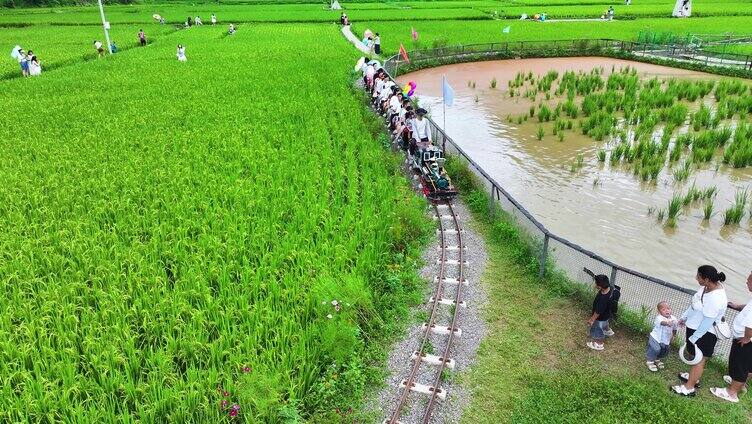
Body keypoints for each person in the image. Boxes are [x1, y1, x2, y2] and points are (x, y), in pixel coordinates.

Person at [674, 265, 728, 397]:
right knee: (694, 355)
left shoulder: (716, 297)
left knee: (699, 359)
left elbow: (707, 322)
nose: (696, 278)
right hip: (694, 327)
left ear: (707, 279)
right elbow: (695, 303)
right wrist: (684, 317)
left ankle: (689, 387)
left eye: (698, 276)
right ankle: (693, 377)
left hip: (705, 333)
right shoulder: (706, 287)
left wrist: (694, 338)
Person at [711, 271, 752, 403]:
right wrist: (737, 306)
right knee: (747, 365)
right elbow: (748, 307)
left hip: (744, 340)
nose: (746, 282)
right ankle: (741, 384)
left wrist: (746, 338)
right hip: (747, 339)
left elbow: (750, 324)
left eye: (749, 280)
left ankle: (732, 392)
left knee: (739, 364)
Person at [646, 301, 678, 371]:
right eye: (663, 309)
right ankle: (650, 361)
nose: (667, 311)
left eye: (668, 308)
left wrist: (674, 335)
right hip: (655, 337)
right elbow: (662, 323)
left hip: (665, 339)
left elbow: (675, 328)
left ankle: (657, 359)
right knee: (656, 349)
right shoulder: (659, 318)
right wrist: (667, 323)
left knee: (664, 350)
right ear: (659, 311)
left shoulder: (674, 319)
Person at [587, 274, 612, 351]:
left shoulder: (603, 299)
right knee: (605, 323)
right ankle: (608, 331)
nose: (595, 284)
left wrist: (592, 320)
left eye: (596, 283)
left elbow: (598, 312)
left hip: (600, 318)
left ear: (600, 286)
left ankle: (599, 344)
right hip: (607, 314)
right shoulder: (610, 289)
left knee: (597, 329)